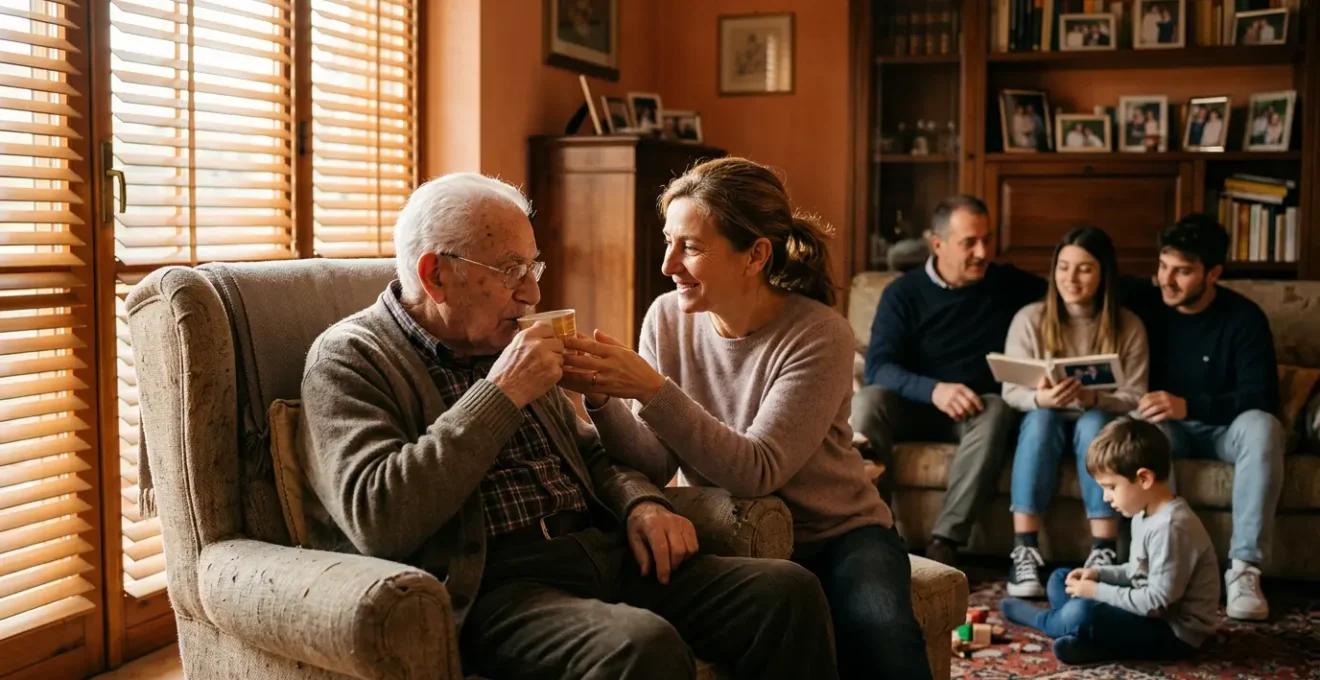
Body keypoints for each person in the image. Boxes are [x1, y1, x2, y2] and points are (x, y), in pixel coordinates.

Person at [295, 173, 838, 680]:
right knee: (640, 645)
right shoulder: (349, 359)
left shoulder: (498, 335)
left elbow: (591, 455)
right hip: (497, 585)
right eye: (511, 271)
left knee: (786, 593)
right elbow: (377, 516)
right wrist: (500, 394)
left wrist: (641, 504)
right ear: (436, 274)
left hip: (599, 549)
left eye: (534, 267)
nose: (531, 293)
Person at [559, 157, 932, 680]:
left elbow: (758, 470)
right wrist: (602, 397)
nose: (667, 264)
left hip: (838, 535)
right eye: (668, 241)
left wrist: (650, 387)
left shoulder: (819, 335)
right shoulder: (666, 318)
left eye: (689, 247)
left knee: (879, 631)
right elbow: (654, 460)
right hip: (730, 534)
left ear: (755, 255)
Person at [853, 195, 1046, 568]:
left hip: (974, 414)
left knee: (998, 407)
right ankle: (875, 531)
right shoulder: (903, 294)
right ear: (937, 244)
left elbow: (1069, 293)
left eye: (987, 240)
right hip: (912, 408)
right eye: (969, 243)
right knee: (868, 400)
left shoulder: (1006, 283)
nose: (982, 252)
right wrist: (935, 390)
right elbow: (879, 367)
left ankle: (946, 541)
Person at [1123, 213, 1284, 621]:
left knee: (1264, 426)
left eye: (1183, 272)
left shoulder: (1244, 318)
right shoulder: (1144, 303)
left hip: (1225, 430)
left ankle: (1245, 571)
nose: (1167, 281)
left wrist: (1190, 405)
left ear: (1213, 273)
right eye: (1162, 267)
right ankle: (1156, 569)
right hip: (1167, 431)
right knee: (1142, 434)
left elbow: (1262, 395)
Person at [1000, 227, 1149, 598]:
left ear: (1103, 274)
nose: (1071, 278)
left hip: (1097, 420)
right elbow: (1010, 390)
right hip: (1044, 419)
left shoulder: (1128, 325)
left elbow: (1136, 395)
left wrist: (1096, 399)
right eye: (1063, 267)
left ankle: (1103, 551)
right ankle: (1025, 548)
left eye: (1084, 269)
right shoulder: (1029, 319)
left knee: (1097, 422)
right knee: (1040, 419)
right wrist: (1041, 399)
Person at [999, 418, 1220, 665]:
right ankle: (1092, 643)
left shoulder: (1171, 526)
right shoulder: (1143, 513)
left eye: (1111, 487)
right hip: (1147, 614)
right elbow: (1137, 573)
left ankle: (1047, 622)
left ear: (1144, 478)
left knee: (1080, 611)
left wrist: (1097, 591)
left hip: (1175, 634)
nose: (1106, 497)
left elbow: (1158, 604)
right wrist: (1098, 574)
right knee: (1061, 578)